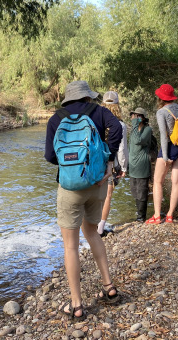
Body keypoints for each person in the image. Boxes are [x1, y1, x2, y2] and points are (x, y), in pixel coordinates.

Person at [44, 81, 122, 320]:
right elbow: (117, 129)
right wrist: (107, 160)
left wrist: (71, 166)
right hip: (96, 183)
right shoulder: (99, 112)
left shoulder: (56, 119)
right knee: (92, 233)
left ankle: (77, 304)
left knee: (70, 245)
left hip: (69, 188)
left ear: (67, 99)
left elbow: (49, 156)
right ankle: (109, 288)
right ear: (88, 97)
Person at [146, 84, 178, 224]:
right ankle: (170, 215)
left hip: (170, 148)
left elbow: (164, 136)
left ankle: (157, 216)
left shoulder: (162, 112)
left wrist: (165, 156)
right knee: (176, 181)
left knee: (158, 181)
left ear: (160, 97)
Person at [97, 91, 128, 235]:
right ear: (117, 105)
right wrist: (124, 167)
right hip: (112, 164)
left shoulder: (96, 121)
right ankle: (100, 229)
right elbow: (122, 149)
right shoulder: (120, 125)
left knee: (95, 195)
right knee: (107, 196)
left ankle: (91, 226)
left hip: (96, 163)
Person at [128, 107, 152, 222]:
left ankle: (141, 217)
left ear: (143, 118)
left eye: (139, 116)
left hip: (142, 166)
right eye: (134, 115)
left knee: (142, 192)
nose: (136, 118)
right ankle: (138, 215)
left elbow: (138, 141)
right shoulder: (133, 131)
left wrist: (134, 125)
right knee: (135, 192)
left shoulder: (147, 130)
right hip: (133, 166)